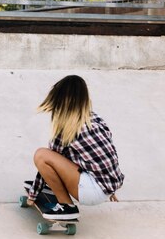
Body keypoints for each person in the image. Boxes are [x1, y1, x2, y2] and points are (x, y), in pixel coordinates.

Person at [27, 75, 124, 220]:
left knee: (41, 155)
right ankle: (55, 188)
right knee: (60, 156)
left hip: (91, 191)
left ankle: (67, 206)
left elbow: (47, 161)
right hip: (107, 184)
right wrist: (110, 188)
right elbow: (108, 152)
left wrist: (33, 194)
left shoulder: (66, 128)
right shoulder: (94, 118)